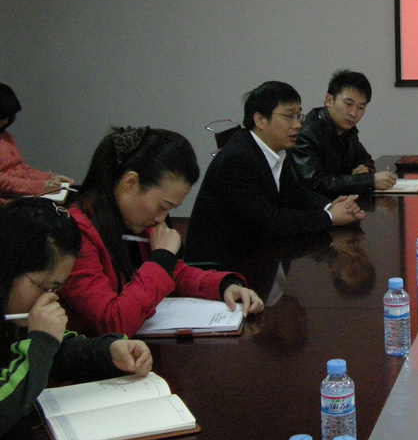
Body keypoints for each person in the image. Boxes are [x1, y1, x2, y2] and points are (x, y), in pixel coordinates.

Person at [59, 127, 263, 337]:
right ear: (130, 182)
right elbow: (112, 324)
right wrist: (161, 258)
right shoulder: (74, 233)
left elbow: (176, 274)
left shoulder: (133, 219)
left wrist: (224, 285)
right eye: (163, 206)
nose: (161, 219)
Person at [0, 198, 152, 438]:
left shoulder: (12, 314)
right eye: (45, 287)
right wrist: (40, 343)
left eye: (56, 289)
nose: (49, 299)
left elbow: (56, 353)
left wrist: (107, 351)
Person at [185, 81, 365, 273]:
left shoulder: (276, 150)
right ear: (260, 120)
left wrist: (331, 206)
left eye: (299, 116)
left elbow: (296, 194)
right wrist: (329, 217)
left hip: (261, 257)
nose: (298, 125)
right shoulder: (238, 158)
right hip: (224, 270)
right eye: (289, 116)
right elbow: (268, 221)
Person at [289, 69, 397, 196]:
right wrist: (368, 181)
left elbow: (366, 159)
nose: (353, 113)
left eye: (361, 107)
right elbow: (314, 184)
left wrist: (365, 169)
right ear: (329, 100)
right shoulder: (307, 133)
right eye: (348, 104)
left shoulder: (347, 131)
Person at [0, 83, 73, 196]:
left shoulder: (6, 136)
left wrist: (51, 178)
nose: (6, 121)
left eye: (8, 117)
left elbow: (20, 170)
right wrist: (42, 187)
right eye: (2, 117)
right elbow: (3, 182)